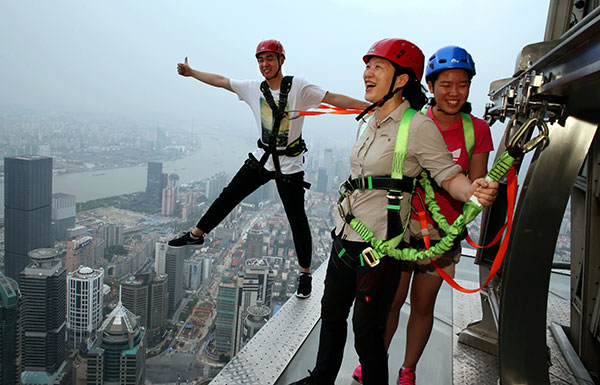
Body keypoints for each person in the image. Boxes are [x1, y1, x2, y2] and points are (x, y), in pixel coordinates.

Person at [290, 39, 498, 385]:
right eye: (368, 66)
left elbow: (449, 176)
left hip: (379, 244)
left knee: (367, 330)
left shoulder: (418, 126)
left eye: (377, 68)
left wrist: (473, 190)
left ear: (401, 80)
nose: (367, 74)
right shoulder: (370, 118)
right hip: (346, 235)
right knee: (332, 312)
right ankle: (322, 377)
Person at [168, 39, 368, 299]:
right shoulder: (253, 88)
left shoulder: (299, 86)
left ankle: (305, 273)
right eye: (261, 60)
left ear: (281, 60)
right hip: (262, 159)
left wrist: (368, 107)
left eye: (270, 59)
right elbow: (221, 80)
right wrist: (193, 73)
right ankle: (197, 234)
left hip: (289, 164)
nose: (265, 64)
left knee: (297, 219)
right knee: (229, 196)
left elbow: (332, 98)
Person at [351, 46, 494, 385]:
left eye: (462, 84)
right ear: (430, 85)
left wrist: (481, 190)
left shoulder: (476, 130)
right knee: (391, 301)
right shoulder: (414, 121)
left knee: (423, 305)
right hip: (403, 229)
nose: (454, 92)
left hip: (442, 234)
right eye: (445, 84)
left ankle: (408, 368)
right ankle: (376, 359)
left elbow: (472, 182)